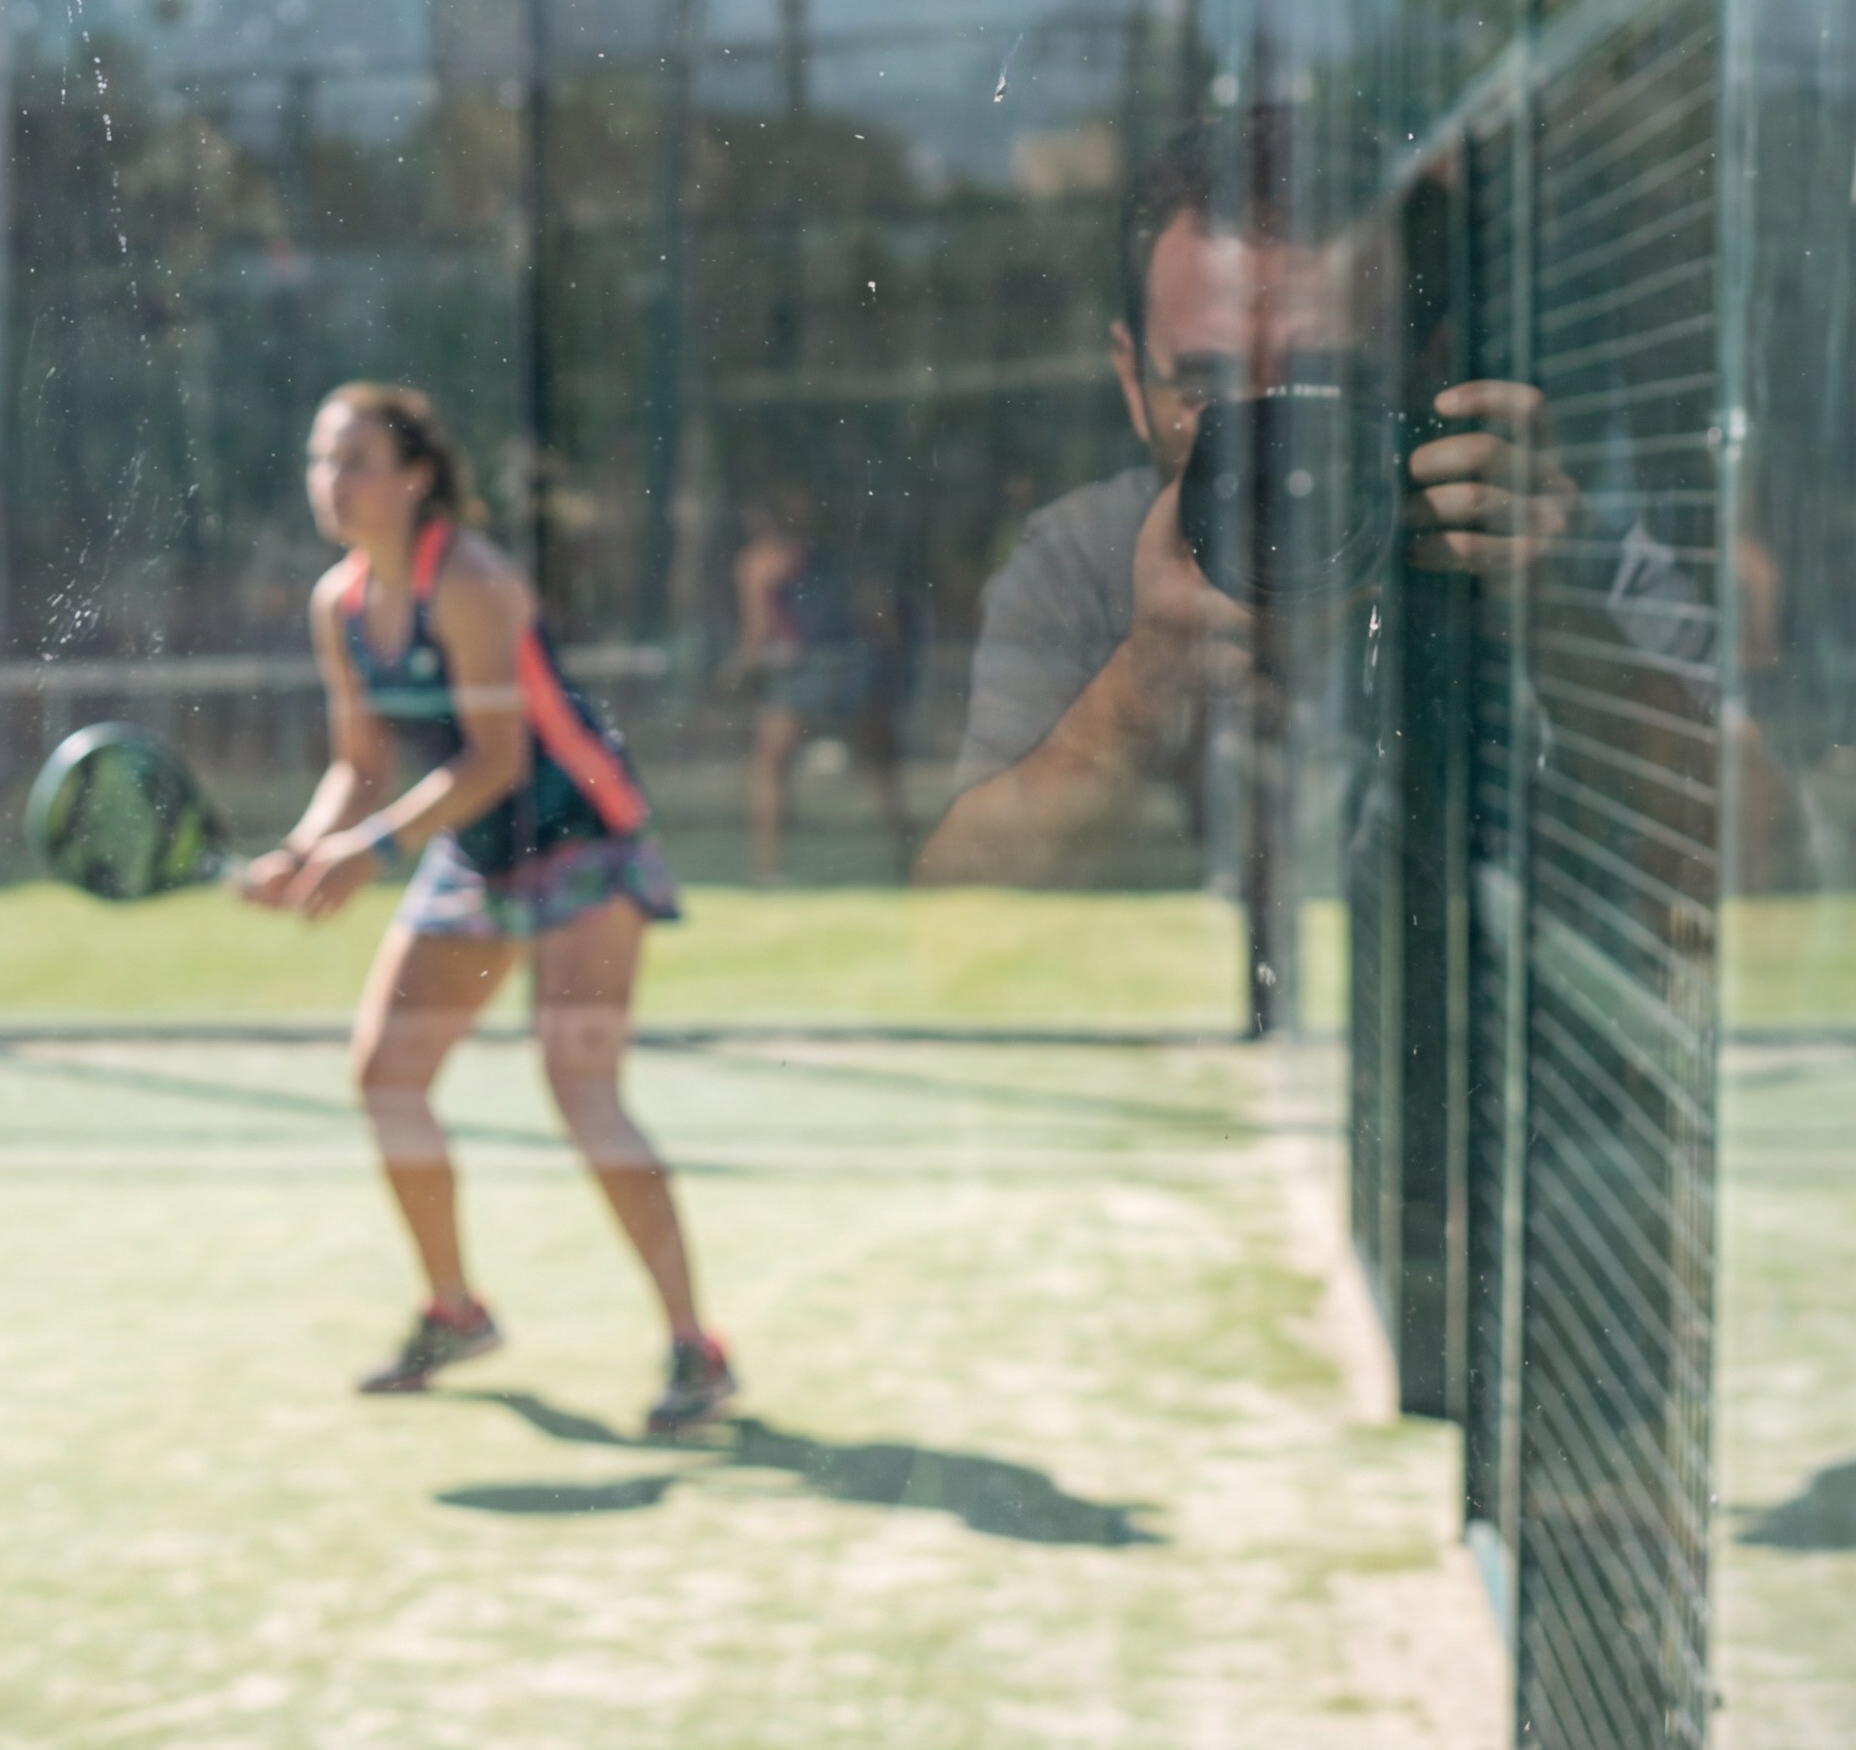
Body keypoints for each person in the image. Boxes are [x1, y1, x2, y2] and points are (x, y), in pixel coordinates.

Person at [238, 383, 737, 1437]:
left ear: (417, 477)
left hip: (582, 846)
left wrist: (369, 849)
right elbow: (358, 764)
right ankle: (455, 1311)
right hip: (475, 850)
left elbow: (498, 755)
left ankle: (696, 1348)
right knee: (386, 1077)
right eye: (324, 461)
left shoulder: (470, 579)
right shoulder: (338, 604)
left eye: (359, 460)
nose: (336, 482)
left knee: (581, 1089)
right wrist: (304, 847)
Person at [913, 142, 1575, 888]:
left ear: (1427, 372)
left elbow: (1716, 850)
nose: (1269, 440)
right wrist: (1136, 695)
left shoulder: (1499, 525)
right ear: (1133, 383)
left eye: (1322, 383)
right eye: (1211, 388)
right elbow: (950, 913)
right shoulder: (1088, 559)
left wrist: (1567, 630)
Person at [724, 484, 912, 881]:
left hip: (801, 674)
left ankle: (767, 870)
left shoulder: (757, 563)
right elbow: (877, 617)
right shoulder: (831, 558)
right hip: (851, 667)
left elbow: (758, 632)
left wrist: (738, 670)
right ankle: (907, 856)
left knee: (771, 769)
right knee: (882, 768)